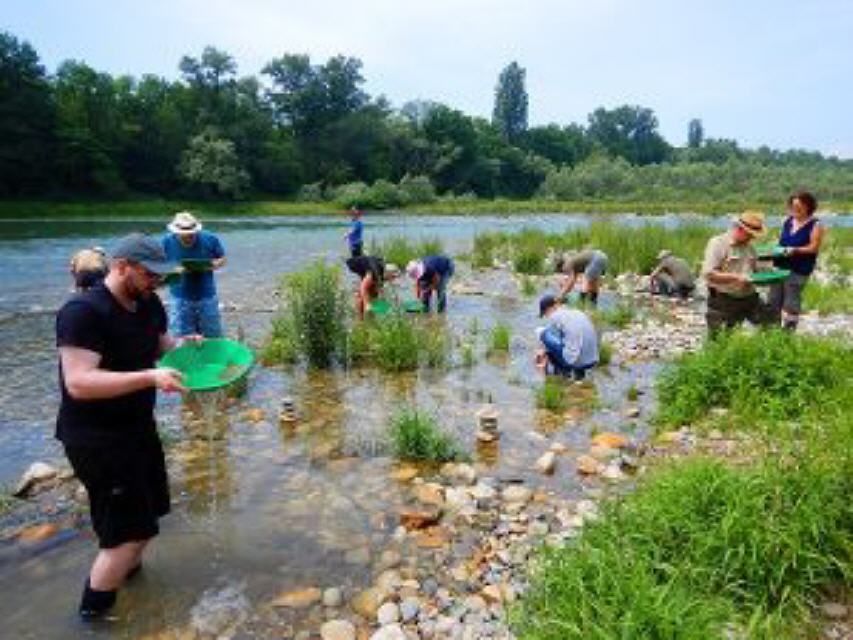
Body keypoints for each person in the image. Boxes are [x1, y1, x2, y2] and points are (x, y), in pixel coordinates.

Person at [55, 234, 188, 620]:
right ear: (121, 266)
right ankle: (94, 618)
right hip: (97, 440)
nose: (156, 282)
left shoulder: (148, 302)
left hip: (138, 430)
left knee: (145, 519)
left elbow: (162, 345)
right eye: (150, 274)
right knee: (126, 535)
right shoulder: (83, 312)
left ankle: (129, 584)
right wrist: (149, 377)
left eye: (161, 276)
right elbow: (79, 383)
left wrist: (187, 346)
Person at [701, 210, 776, 335]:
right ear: (739, 229)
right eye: (750, 235)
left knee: (771, 323)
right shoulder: (718, 243)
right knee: (721, 338)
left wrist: (769, 273)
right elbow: (709, 274)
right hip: (723, 300)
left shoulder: (750, 248)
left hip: (749, 297)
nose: (752, 238)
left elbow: (756, 271)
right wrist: (737, 278)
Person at [162, 211, 226, 338]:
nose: (188, 237)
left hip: (207, 294)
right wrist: (174, 270)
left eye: (191, 234)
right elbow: (159, 265)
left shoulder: (210, 238)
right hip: (179, 296)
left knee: (212, 334)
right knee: (180, 335)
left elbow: (222, 259)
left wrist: (212, 265)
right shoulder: (166, 241)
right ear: (176, 232)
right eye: (184, 235)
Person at [768, 191, 824, 331]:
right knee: (773, 300)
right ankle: (771, 331)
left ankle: (789, 332)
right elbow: (781, 242)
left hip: (799, 269)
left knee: (791, 302)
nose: (795, 209)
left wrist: (795, 250)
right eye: (793, 206)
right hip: (779, 266)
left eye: (799, 207)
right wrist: (773, 250)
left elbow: (813, 248)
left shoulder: (815, 224)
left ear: (808, 206)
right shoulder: (787, 221)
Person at [534, 294, 599, 380]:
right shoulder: (577, 312)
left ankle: (562, 373)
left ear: (548, 309)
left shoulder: (554, 317)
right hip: (592, 360)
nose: (546, 316)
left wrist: (542, 350)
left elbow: (554, 342)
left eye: (545, 314)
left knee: (540, 331)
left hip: (575, 362)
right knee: (571, 342)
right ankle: (579, 376)